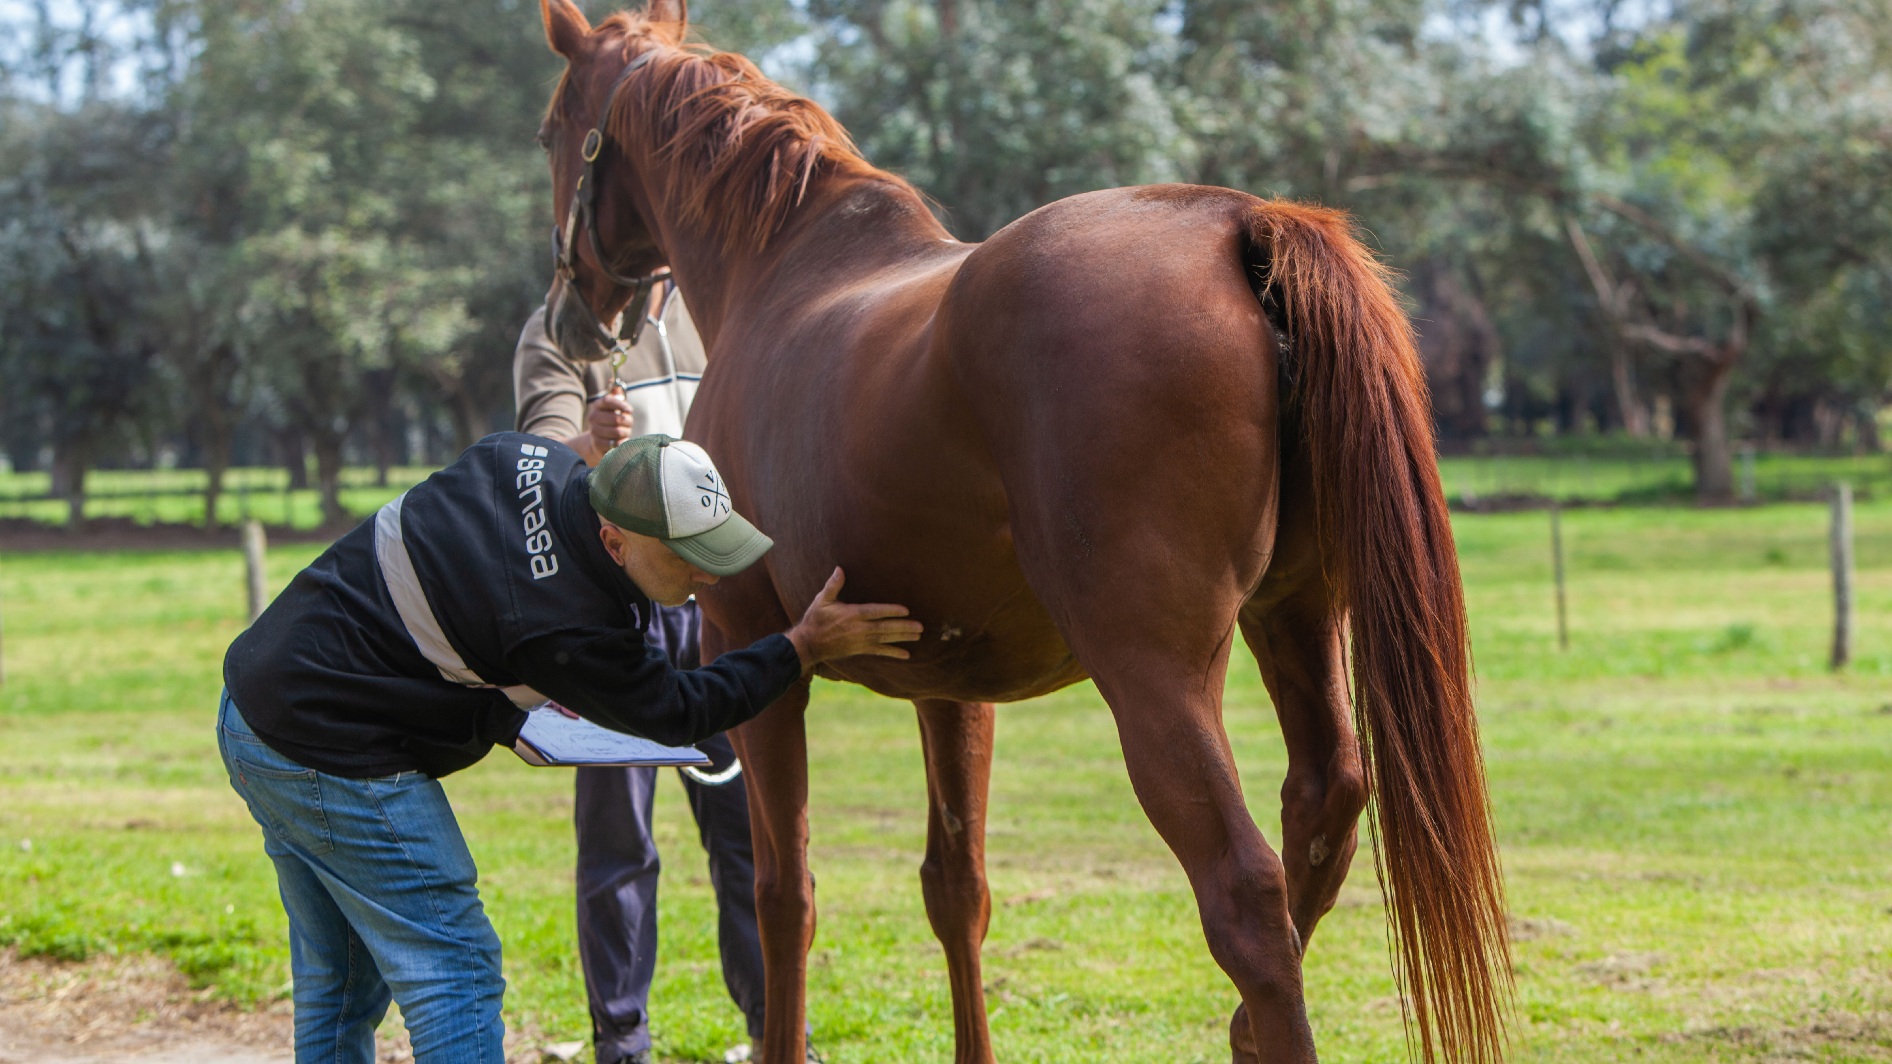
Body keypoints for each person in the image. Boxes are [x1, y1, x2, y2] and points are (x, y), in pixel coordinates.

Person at [219, 431, 922, 1064]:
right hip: (328, 748)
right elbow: (683, 709)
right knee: (456, 964)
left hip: (255, 710)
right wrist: (802, 646)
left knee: (341, 983)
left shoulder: (526, 455)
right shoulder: (566, 625)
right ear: (614, 541)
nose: (710, 577)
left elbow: (478, 573)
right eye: (687, 559)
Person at [515, 285, 774, 1064]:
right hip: (615, 610)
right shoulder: (560, 332)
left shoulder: (719, 305)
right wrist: (592, 446)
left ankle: (776, 1031)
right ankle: (622, 1045)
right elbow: (544, 463)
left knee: (747, 835)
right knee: (619, 840)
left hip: (719, 596)